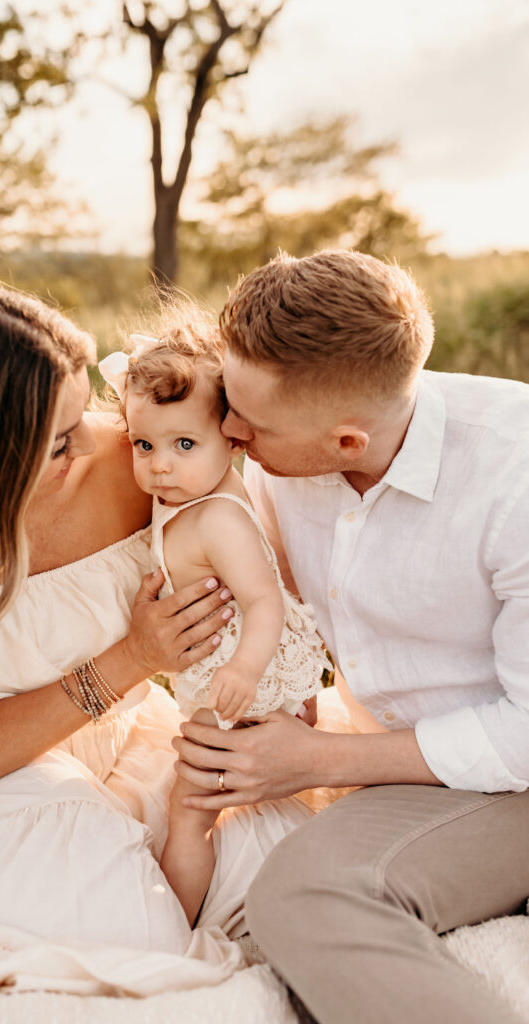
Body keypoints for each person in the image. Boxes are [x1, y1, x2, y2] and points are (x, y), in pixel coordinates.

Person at [0, 274, 318, 1002]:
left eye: (82, 418)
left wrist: (272, 678)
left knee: (290, 855)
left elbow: (245, 540)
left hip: (133, 741)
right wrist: (133, 658)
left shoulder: (139, 465)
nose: (95, 442)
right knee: (135, 933)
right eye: (58, 438)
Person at [172, 250, 529, 1024]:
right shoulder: (277, 449)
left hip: (512, 772)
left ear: (345, 444)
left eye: (248, 421)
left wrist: (317, 761)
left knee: (307, 896)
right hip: (418, 766)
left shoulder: (515, 481)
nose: (226, 431)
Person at [98, 312, 328, 925]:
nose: (160, 467)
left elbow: (264, 599)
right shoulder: (200, 490)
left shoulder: (216, 518)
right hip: (243, 680)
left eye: (183, 445)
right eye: (144, 445)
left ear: (232, 437)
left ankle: (173, 925)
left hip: (241, 683)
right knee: (235, 794)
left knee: (190, 810)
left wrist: (248, 672)